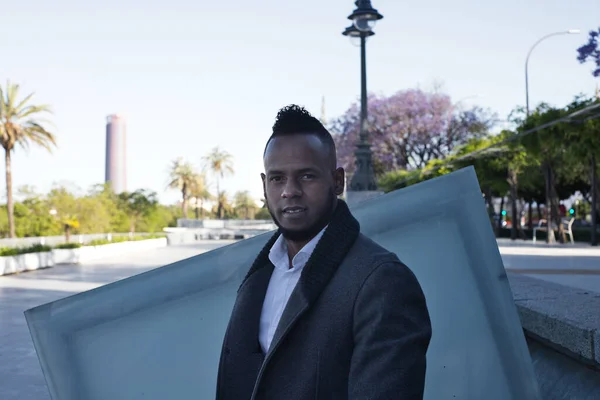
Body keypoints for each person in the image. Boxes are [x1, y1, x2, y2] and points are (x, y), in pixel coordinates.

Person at [216, 105, 432, 400]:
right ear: (265, 186)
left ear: (337, 181)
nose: (289, 191)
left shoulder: (383, 282)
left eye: (306, 176)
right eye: (278, 178)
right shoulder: (259, 275)